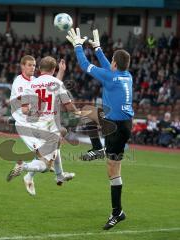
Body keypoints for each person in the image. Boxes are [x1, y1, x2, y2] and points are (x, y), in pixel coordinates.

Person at [66, 28, 134, 230]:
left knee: (112, 170)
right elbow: (107, 68)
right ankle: (97, 148)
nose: (109, 63)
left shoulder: (111, 77)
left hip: (117, 127)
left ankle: (117, 213)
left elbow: (85, 65)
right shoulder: (125, 75)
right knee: (89, 112)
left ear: (114, 63)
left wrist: (78, 46)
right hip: (122, 123)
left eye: (111, 60)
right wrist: (98, 49)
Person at [8, 55, 75, 196]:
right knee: (45, 163)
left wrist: (60, 72)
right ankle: (26, 170)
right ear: (22, 66)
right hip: (27, 125)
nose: (32, 67)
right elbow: (25, 105)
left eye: (33, 65)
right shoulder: (19, 83)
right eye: (29, 65)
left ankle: (58, 175)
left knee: (56, 142)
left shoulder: (33, 81)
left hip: (38, 122)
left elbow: (51, 85)